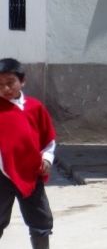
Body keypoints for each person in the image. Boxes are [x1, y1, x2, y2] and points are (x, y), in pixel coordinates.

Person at [0, 58, 56, 249]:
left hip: (31, 173)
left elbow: (48, 140)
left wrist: (47, 159)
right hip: (1, 176)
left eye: (10, 83)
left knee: (40, 221)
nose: (5, 89)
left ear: (22, 81)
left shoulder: (34, 107)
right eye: (0, 85)